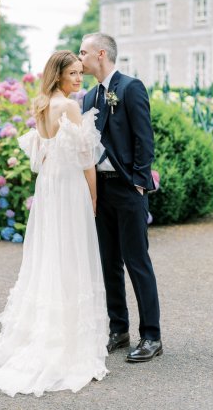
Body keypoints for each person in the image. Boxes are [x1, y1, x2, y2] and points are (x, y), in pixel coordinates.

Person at [0, 51, 108, 397]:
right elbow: (86, 160)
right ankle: (66, 341)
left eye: (81, 73)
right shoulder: (71, 107)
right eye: (74, 74)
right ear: (59, 75)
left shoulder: (41, 104)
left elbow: (42, 154)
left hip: (48, 186)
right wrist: (93, 197)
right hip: (68, 187)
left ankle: (46, 331)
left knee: (51, 254)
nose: (80, 79)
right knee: (71, 255)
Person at [79, 33, 162, 362]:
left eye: (83, 52)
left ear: (101, 55)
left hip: (129, 189)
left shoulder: (130, 88)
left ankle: (152, 336)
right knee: (108, 262)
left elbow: (145, 138)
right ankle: (118, 329)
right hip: (101, 190)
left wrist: (140, 183)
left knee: (137, 262)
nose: (79, 57)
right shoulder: (87, 97)